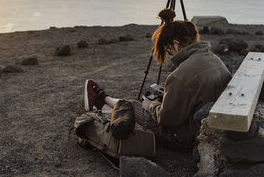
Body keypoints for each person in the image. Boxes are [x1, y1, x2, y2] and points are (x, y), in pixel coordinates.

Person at [84, 8, 231, 149]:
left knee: (134, 105)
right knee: (139, 105)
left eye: (168, 50)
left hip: (186, 137)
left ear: (176, 44)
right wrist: (171, 93)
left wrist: (150, 105)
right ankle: (103, 103)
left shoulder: (181, 74)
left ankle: (102, 100)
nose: (170, 54)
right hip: (208, 125)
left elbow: (167, 120)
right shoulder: (214, 58)